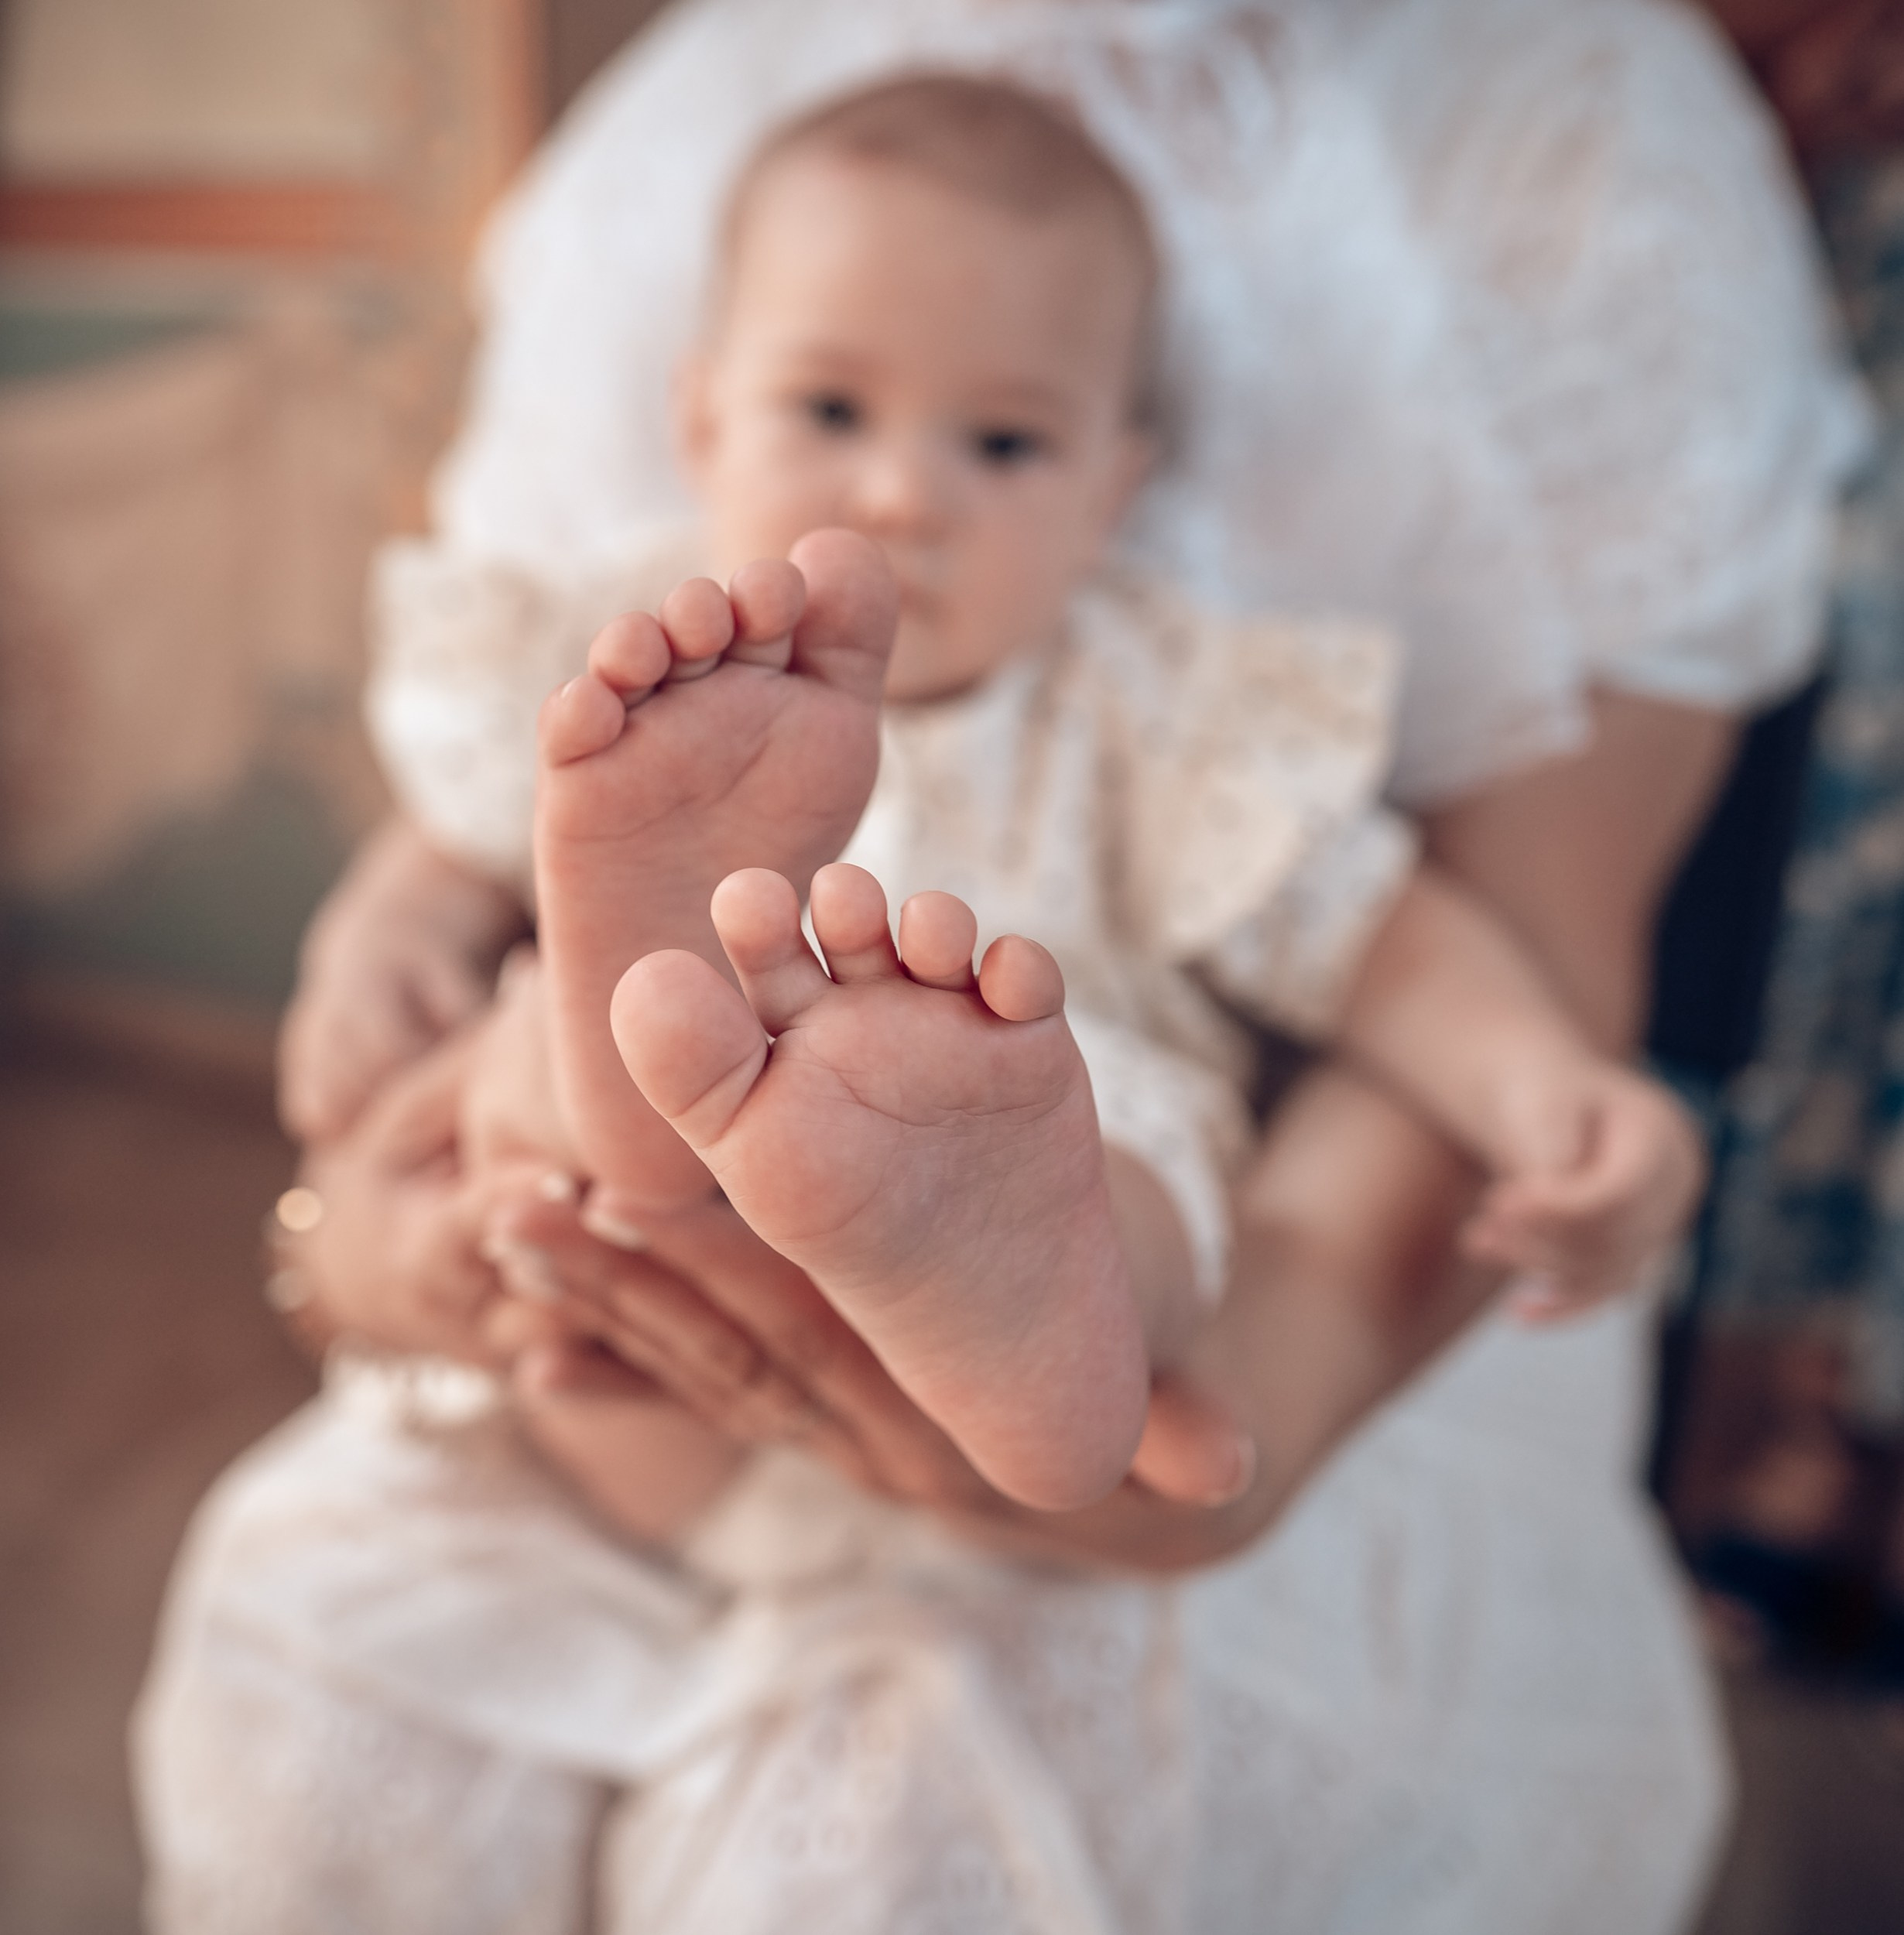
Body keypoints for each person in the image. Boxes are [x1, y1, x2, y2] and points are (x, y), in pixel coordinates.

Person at [137, 3, 1868, 1930]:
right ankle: (647, 1082)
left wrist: (1553, 1092)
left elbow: (1391, 942)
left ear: (1119, 480)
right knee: (553, 1078)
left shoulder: (1157, 706)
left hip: (1039, 1114)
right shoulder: (629, 650)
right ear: (699, 415)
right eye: (829, 414)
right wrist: (377, 947)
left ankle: (1010, 1271)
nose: (901, 493)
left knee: (1109, 1158)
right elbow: (449, 842)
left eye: (1004, 438)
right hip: (631, 1323)